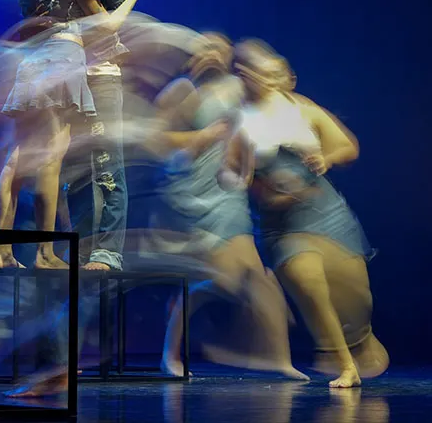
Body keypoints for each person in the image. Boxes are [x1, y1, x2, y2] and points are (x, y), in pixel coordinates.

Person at [233, 39, 388, 388]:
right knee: (309, 281)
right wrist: (256, 187)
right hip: (281, 225)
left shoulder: (302, 108)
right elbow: (232, 173)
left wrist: (326, 159)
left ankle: (360, 339)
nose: (264, 78)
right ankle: (346, 365)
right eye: (254, 71)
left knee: (356, 296)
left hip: (325, 212)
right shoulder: (240, 120)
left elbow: (348, 146)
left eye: (270, 71)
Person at [0, 0, 141, 271]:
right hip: (61, 62)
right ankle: (45, 253)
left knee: (17, 157)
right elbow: (107, 26)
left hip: (33, 63)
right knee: (52, 156)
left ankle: (1, 251)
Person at [154, 33, 307, 380]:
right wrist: (202, 137)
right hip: (191, 194)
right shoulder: (182, 91)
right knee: (223, 279)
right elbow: (158, 141)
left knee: (254, 275)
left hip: (229, 192)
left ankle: (279, 358)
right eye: (203, 48)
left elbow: (266, 119)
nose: (211, 54)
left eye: (218, 49)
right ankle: (171, 350)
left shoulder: (238, 89)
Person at [32, 0, 132, 272]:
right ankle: (81, 249)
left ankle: (108, 252)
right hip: (68, 80)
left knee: (107, 164)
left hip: (102, 77)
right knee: (73, 171)